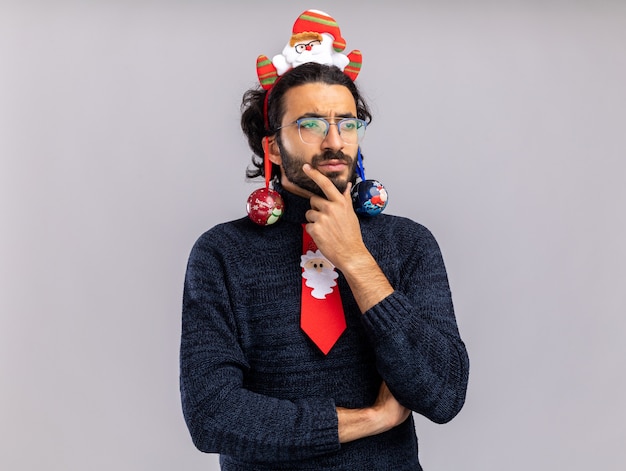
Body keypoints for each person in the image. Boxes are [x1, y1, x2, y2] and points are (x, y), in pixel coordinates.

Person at [180, 10, 469, 471]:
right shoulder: (221, 254)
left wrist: (356, 259)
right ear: (272, 146)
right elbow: (212, 416)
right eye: (311, 124)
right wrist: (371, 420)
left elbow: (444, 391)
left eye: (348, 123)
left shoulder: (407, 243)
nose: (334, 141)